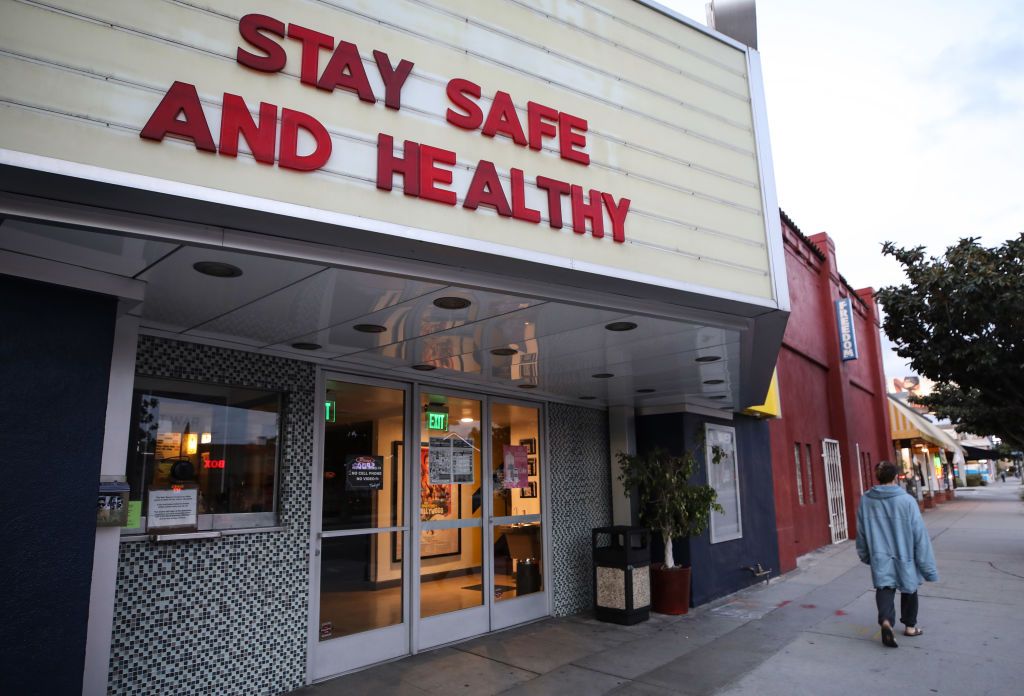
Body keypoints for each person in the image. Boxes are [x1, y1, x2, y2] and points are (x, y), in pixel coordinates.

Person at [856, 460, 939, 648]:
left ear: (878, 477)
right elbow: (919, 534)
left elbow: (861, 531)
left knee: (884, 586)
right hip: (905, 553)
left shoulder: (866, 500)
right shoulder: (907, 500)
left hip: (880, 553)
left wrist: (865, 554)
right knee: (909, 587)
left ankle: (886, 622)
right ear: (896, 477)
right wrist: (927, 566)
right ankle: (910, 627)